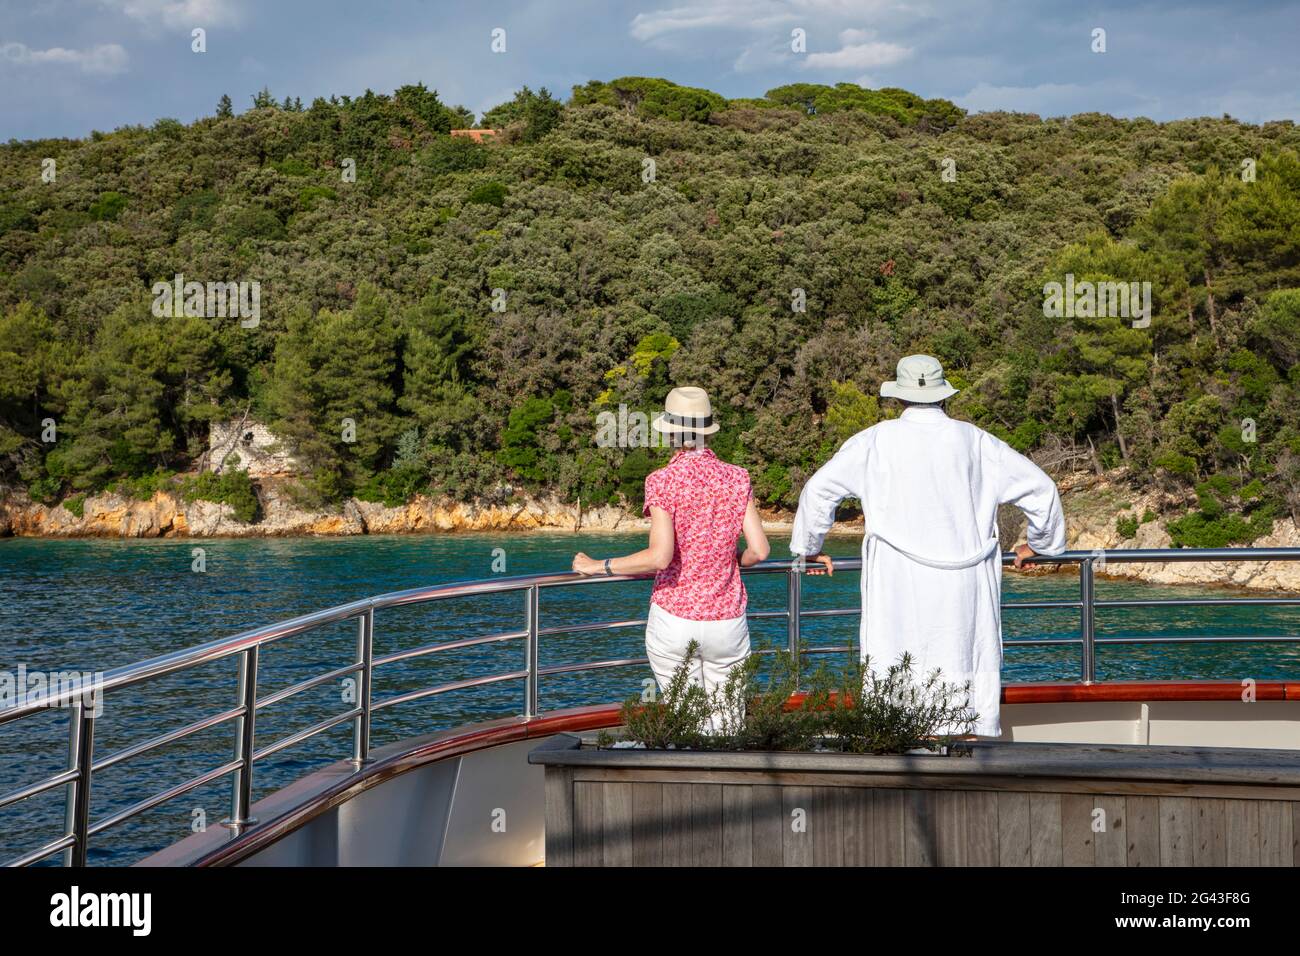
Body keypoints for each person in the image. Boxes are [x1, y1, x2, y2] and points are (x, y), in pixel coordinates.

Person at [790, 354, 1066, 737]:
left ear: (898, 397)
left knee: (899, 665)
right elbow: (1042, 489)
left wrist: (809, 547)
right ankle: (965, 749)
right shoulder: (977, 442)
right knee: (963, 659)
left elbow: (819, 490)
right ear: (943, 395)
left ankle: (903, 748)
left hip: (897, 581)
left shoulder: (875, 441)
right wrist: (1040, 544)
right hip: (965, 581)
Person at [573, 386, 769, 732]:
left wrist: (598, 566)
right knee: (729, 725)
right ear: (707, 431)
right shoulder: (737, 477)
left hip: (675, 620)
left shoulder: (663, 481)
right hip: (727, 621)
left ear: (671, 434)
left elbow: (660, 557)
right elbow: (760, 551)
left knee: (691, 723)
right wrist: (732, 559)